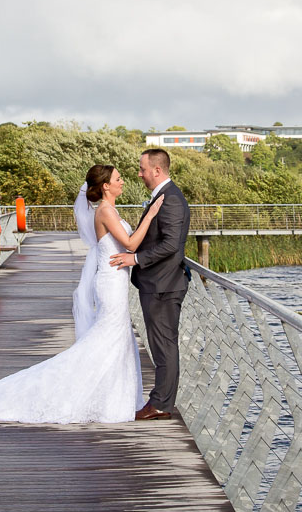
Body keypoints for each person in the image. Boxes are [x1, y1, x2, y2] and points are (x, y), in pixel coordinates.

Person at [0, 164, 163, 423]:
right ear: (106, 186)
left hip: (116, 279)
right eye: (118, 179)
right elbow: (131, 244)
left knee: (118, 338)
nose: (123, 182)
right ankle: (89, 394)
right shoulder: (106, 211)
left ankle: (112, 399)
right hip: (110, 283)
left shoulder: (110, 209)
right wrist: (152, 214)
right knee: (108, 336)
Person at [109, 149, 191, 421]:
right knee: (161, 345)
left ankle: (160, 404)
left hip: (163, 284)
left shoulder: (172, 200)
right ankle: (161, 401)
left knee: (164, 345)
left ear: (157, 170)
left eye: (143, 169)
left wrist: (136, 258)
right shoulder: (164, 197)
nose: (140, 173)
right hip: (158, 282)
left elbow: (171, 245)